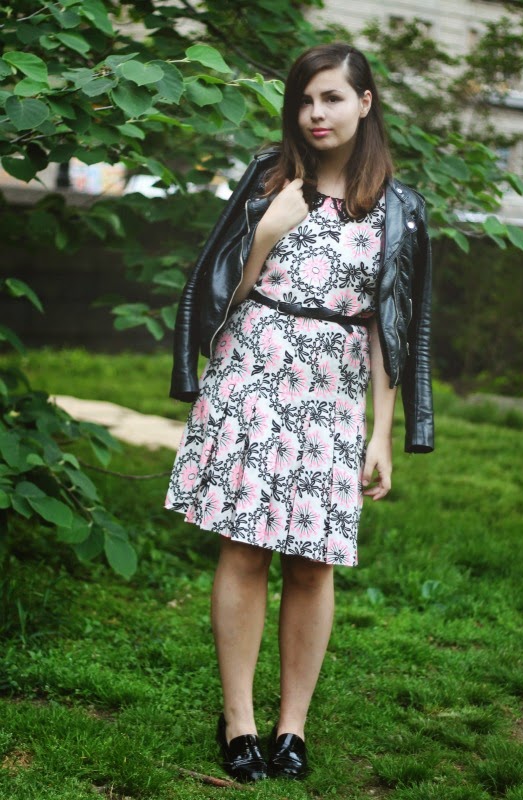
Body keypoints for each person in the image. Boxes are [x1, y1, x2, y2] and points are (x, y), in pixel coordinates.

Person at [165, 42, 434, 783]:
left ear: (365, 103)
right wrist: (266, 230)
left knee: (314, 562)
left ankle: (292, 727)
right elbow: (222, 291)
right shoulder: (269, 179)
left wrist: (381, 432)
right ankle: (239, 721)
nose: (316, 113)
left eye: (332, 98)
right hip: (252, 375)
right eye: (306, 100)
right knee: (245, 549)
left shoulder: (398, 208)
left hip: (332, 393)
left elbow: (391, 326)